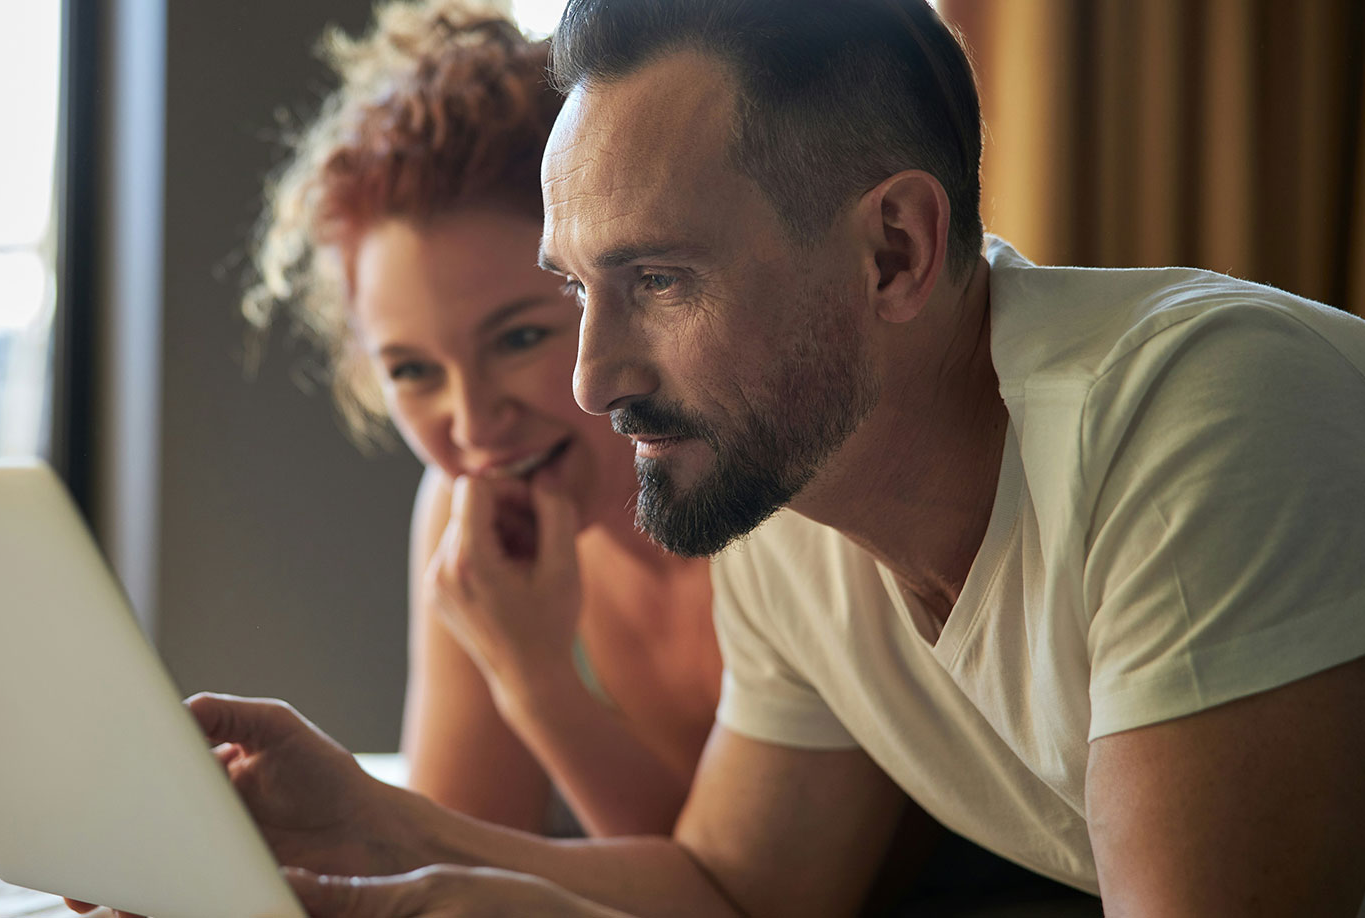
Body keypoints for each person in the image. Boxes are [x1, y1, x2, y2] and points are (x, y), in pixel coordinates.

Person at [83, 0, 1365, 915]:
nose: (592, 378)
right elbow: (737, 889)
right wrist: (365, 829)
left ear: (896, 254)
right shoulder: (784, 492)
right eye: (577, 289)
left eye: (660, 279)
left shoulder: (1197, 416)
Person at [242, 0, 720, 839]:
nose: (473, 425)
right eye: (413, 371)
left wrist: (536, 679)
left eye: (520, 338)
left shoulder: (770, 479)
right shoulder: (469, 520)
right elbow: (460, 846)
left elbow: (746, 884)